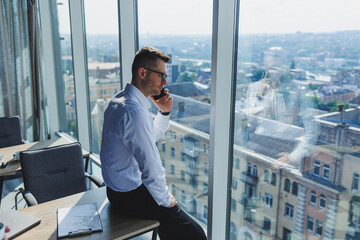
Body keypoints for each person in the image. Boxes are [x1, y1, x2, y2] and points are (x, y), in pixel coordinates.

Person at [100, 46, 207, 240]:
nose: (165, 82)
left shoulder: (119, 101)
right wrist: (166, 201)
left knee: (172, 230)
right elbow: (151, 166)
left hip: (115, 192)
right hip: (129, 196)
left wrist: (164, 112)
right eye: (161, 76)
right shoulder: (135, 113)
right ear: (142, 73)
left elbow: (146, 139)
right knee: (196, 235)